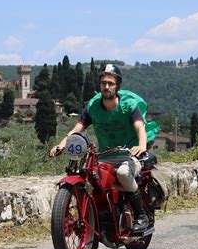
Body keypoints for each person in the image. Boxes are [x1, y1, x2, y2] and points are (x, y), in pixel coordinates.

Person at [49, 64, 159, 233]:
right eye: (103, 83)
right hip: (105, 157)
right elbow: (77, 130)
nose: (106, 87)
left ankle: (141, 215)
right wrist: (62, 145)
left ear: (117, 86)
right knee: (89, 177)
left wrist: (141, 145)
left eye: (110, 83)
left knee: (123, 173)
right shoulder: (93, 107)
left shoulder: (129, 105)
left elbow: (140, 128)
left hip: (129, 155)